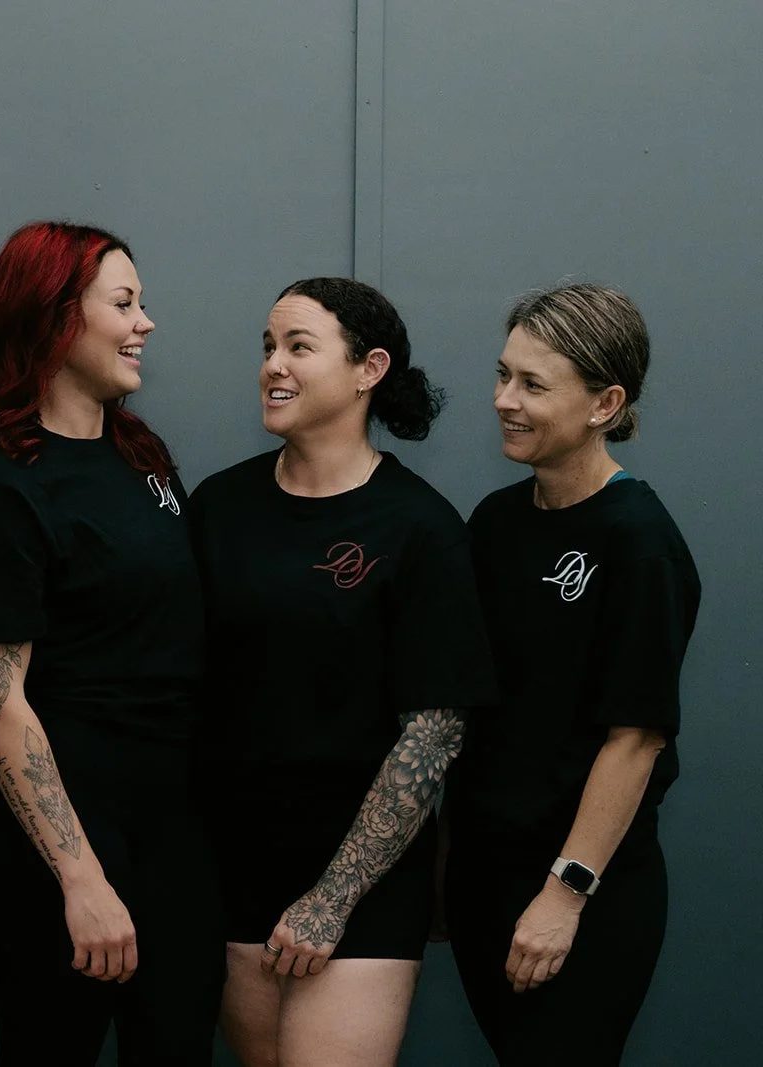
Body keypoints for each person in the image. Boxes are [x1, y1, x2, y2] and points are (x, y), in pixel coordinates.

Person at [190, 278, 496, 1067]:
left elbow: (434, 733)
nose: (272, 366)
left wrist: (333, 899)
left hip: (363, 877)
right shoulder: (218, 510)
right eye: (267, 347)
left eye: (298, 346)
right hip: (235, 866)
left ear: (369, 368)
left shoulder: (422, 527)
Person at [0, 221, 222, 1065]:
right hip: (66, 834)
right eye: (125, 303)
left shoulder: (142, 455)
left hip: (172, 824)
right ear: (57, 316)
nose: (146, 322)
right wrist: (81, 878)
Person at [446, 284, 698, 1066]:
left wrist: (565, 893)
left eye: (531, 384)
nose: (502, 400)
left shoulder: (640, 540)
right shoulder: (494, 523)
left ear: (604, 402)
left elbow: (637, 738)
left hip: (582, 891)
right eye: (502, 375)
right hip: (486, 878)